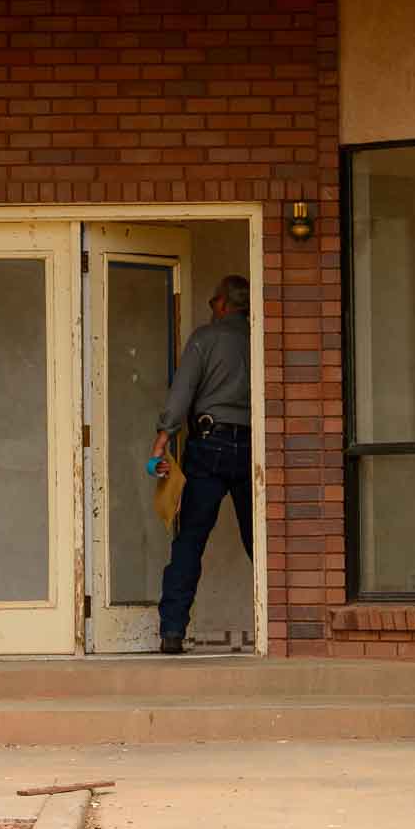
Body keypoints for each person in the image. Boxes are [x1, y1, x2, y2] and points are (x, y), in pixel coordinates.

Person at [148, 274, 252, 654]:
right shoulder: (260, 339)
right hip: (253, 447)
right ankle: (284, 626)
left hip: (210, 445)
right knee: (261, 542)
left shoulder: (205, 339)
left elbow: (183, 391)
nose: (212, 310)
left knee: (190, 540)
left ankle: (172, 631)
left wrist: (162, 438)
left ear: (223, 303)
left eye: (212, 303)